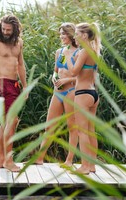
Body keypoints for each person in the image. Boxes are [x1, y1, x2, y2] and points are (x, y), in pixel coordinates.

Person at [0, 14, 27, 172]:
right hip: (2, 83)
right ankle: (9, 161)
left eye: (9, 30)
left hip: (15, 85)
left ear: (15, 29)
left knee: (6, 123)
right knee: (12, 122)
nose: (6, 32)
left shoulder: (19, 42)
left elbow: (20, 65)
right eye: (3, 29)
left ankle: (1, 160)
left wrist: (25, 86)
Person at [35, 23, 79, 166]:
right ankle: (39, 158)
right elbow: (56, 69)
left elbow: (82, 77)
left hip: (71, 91)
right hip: (57, 92)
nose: (61, 37)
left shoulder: (79, 53)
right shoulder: (60, 52)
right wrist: (54, 77)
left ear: (71, 35)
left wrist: (66, 79)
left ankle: (69, 160)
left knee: (72, 127)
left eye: (64, 34)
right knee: (49, 126)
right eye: (60, 34)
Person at [66, 22, 102, 174]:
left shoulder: (84, 51)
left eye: (77, 34)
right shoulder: (95, 50)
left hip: (82, 94)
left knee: (82, 132)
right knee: (91, 131)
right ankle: (92, 165)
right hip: (93, 94)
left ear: (85, 35)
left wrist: (68, 57)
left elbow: (74, 72)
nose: (75, 36)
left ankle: (85, 166)